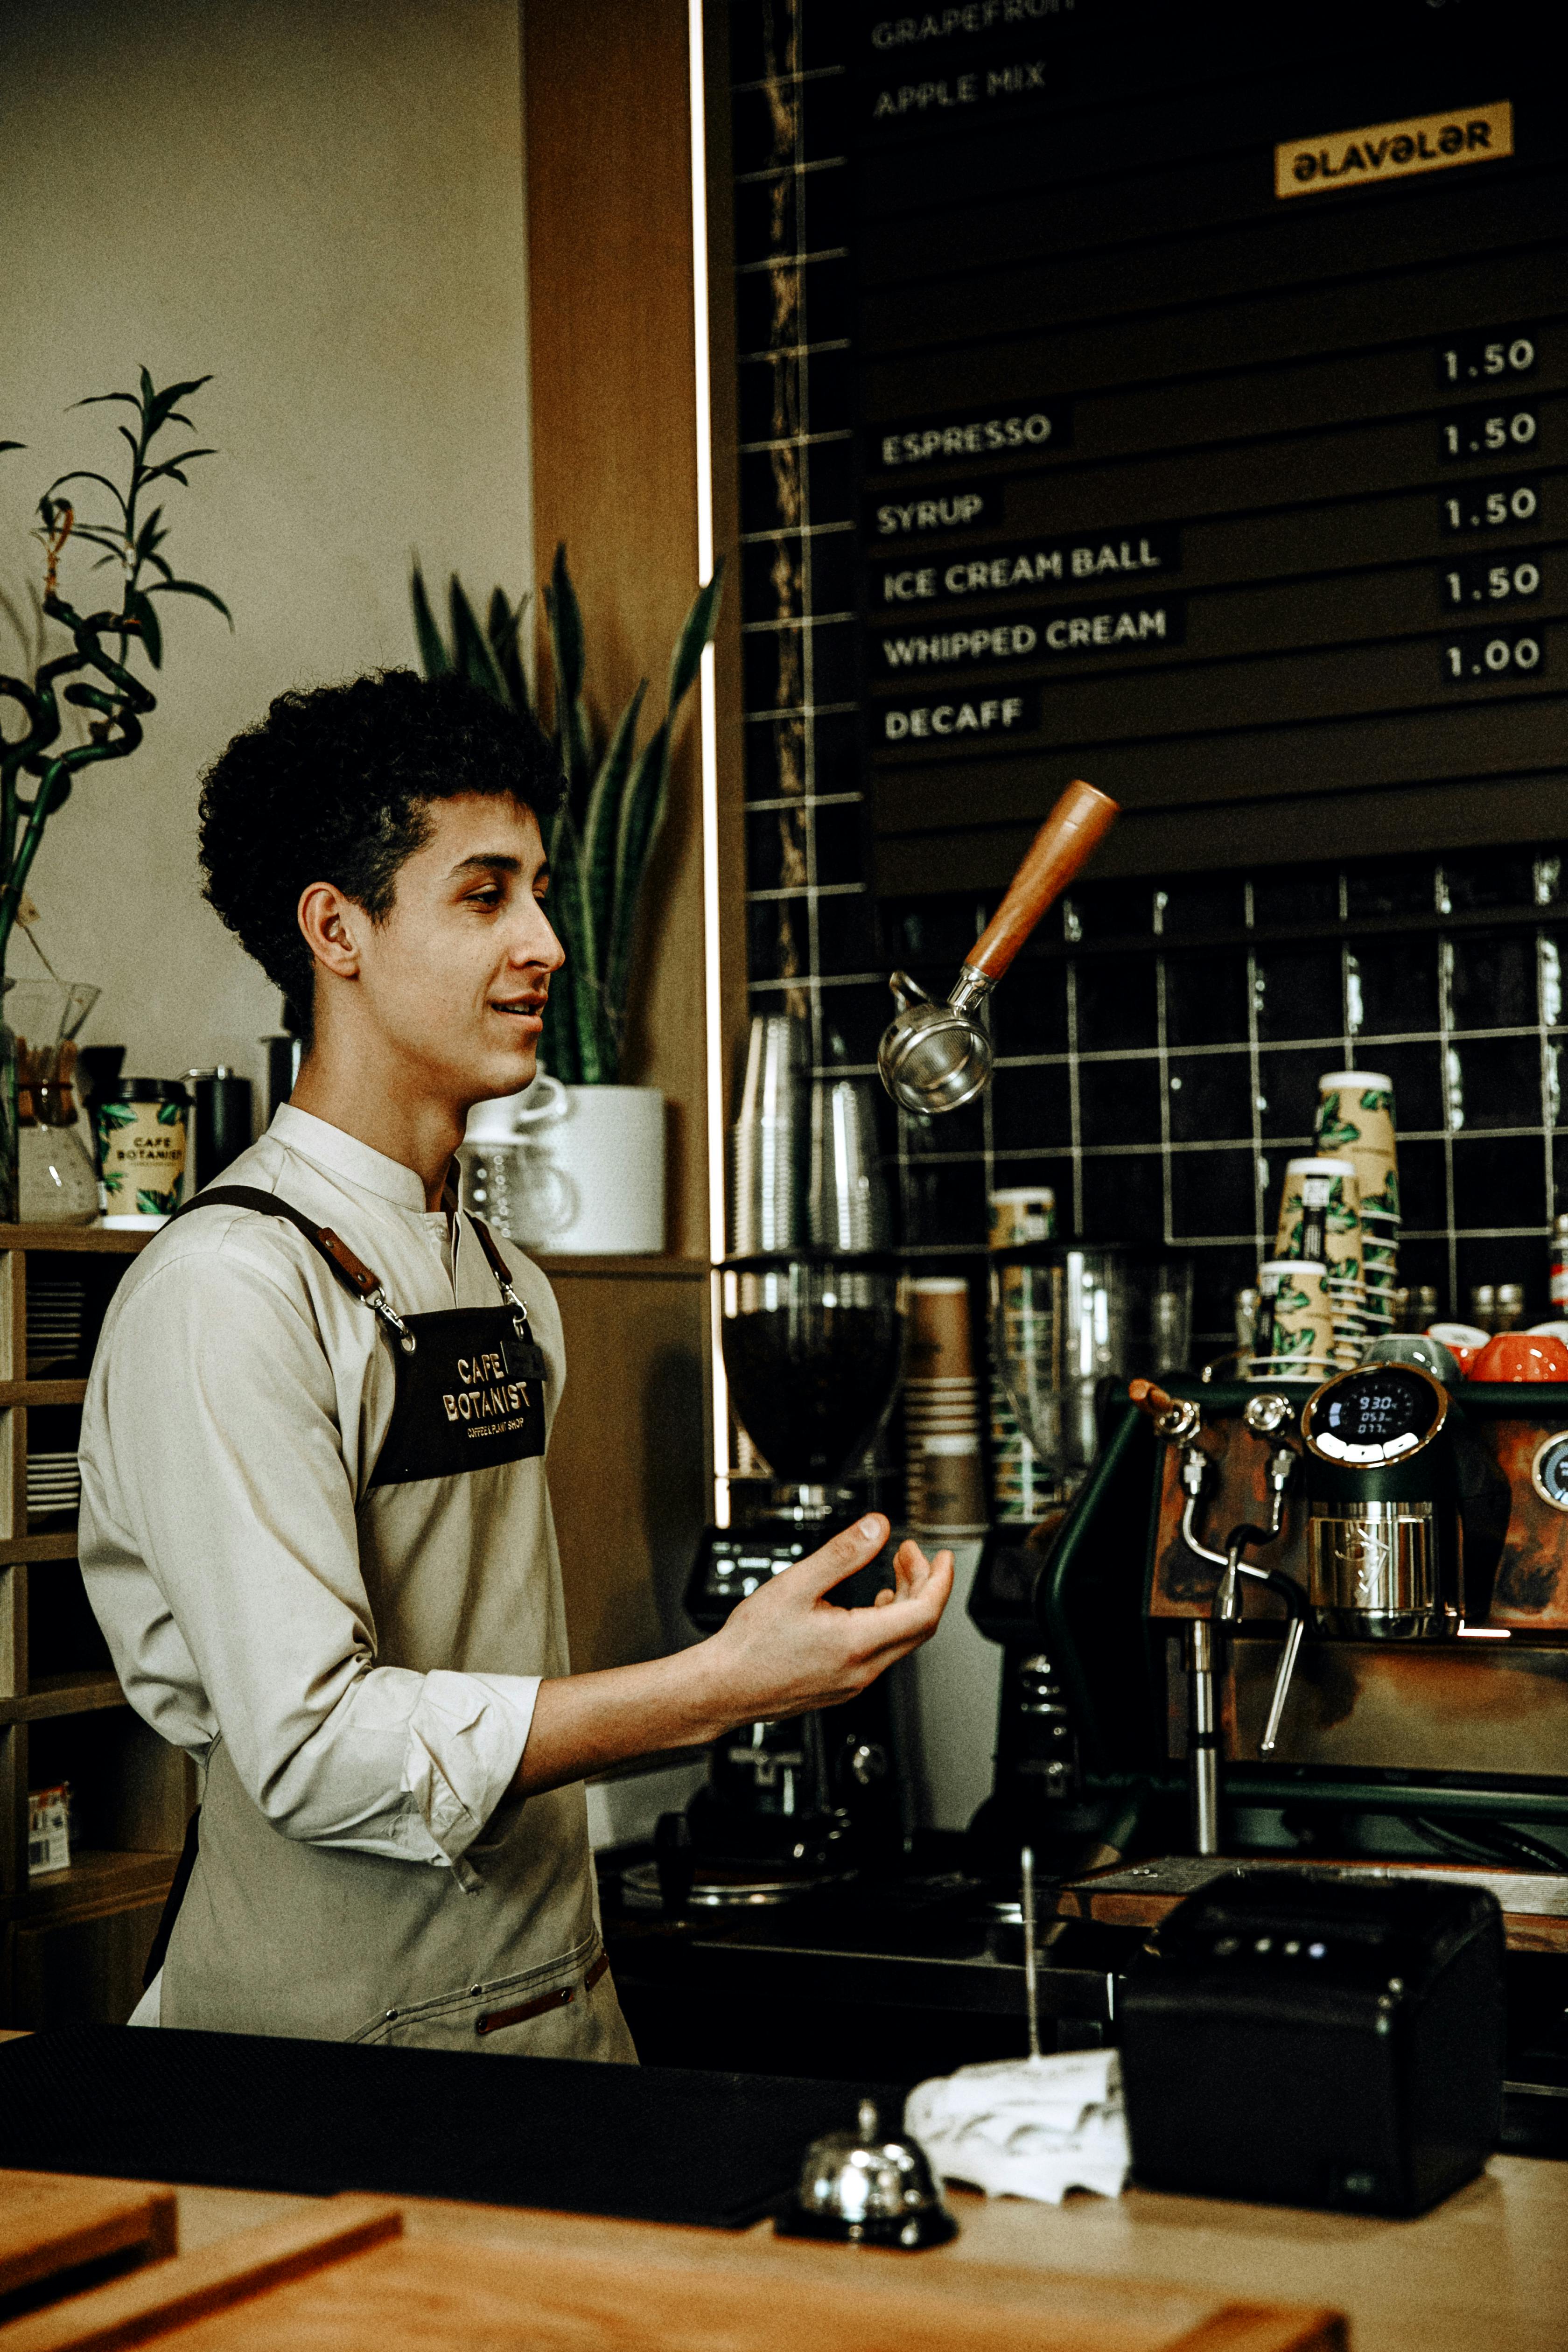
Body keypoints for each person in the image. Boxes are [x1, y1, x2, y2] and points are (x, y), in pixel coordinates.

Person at [78, 669, 952, 2055]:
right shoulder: (228, 1291)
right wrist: (721, 1683)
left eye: (542, 888)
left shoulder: (503, 1281)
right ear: (336, 931)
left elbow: (493, 1673)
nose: (546, 940)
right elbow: (310, 1753)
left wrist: (778, 1661)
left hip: (567, 2013)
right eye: (486, 895)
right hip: (339, 2057)